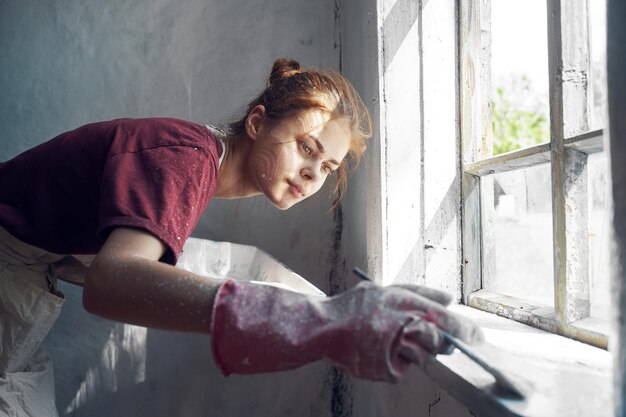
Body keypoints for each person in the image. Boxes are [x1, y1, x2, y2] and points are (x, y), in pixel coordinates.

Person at [0, 58, 484, 416]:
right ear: (256, 123)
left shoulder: (195, 163)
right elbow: (113, 281)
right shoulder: (184, 160)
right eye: (306, 147)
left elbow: (88, 246)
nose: (313, 172)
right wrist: (314, 320)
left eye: (328, 166)